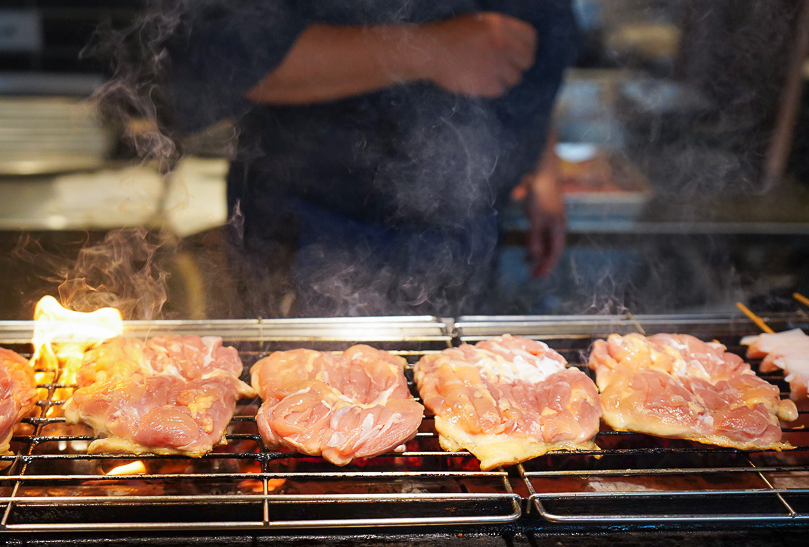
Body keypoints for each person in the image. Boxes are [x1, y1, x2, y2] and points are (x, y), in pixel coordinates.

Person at [159, 1, 579, 316]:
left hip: (471, 231)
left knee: (459, 393)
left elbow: (516, 38)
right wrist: (429, 49)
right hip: (320, 234)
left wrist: (541, 161)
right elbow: (216, 56)